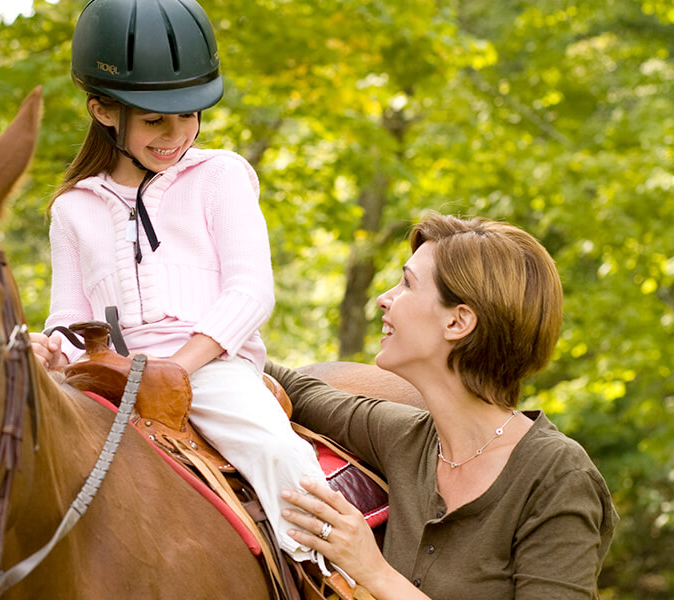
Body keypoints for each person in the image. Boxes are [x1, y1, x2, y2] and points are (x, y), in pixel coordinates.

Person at [30, 0, 327, 565]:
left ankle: (330, 574)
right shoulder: (72, 208)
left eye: (189, 115)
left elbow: (250, 292)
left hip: (208, 371)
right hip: (104, 377)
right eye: (154, 120)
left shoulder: (221, 176)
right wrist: (53, 349)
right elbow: (68, 319)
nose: (176, 135)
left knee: (275, 453)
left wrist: (174, 370)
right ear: (102, 110)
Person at [267, 213, 617, 598]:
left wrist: (374, 571)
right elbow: (298, 389)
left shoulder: (557, 476)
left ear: (458, 322)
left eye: (406, 284)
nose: (384, 299)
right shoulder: (405, 438)